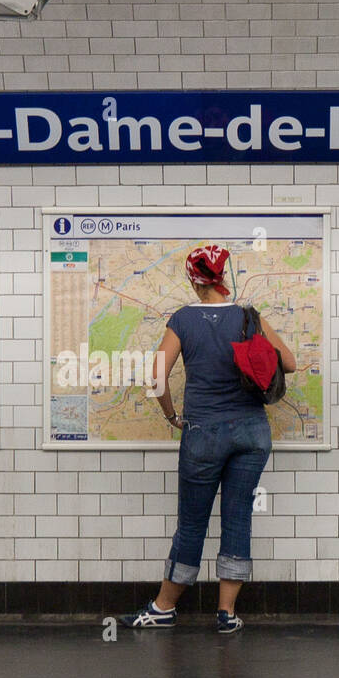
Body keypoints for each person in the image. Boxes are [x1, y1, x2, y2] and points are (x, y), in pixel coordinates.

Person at [121, 245, 296, 634]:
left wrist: (172, 416)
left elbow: (156, 377)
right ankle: (227, 614)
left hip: (203, 433)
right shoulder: (248, 317)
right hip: (252, 432)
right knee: (238, 518)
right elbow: (289, 362)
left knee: (192, 523)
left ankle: (164, 607)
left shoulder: (183, 319)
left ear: (193, 281)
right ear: (223, 278)